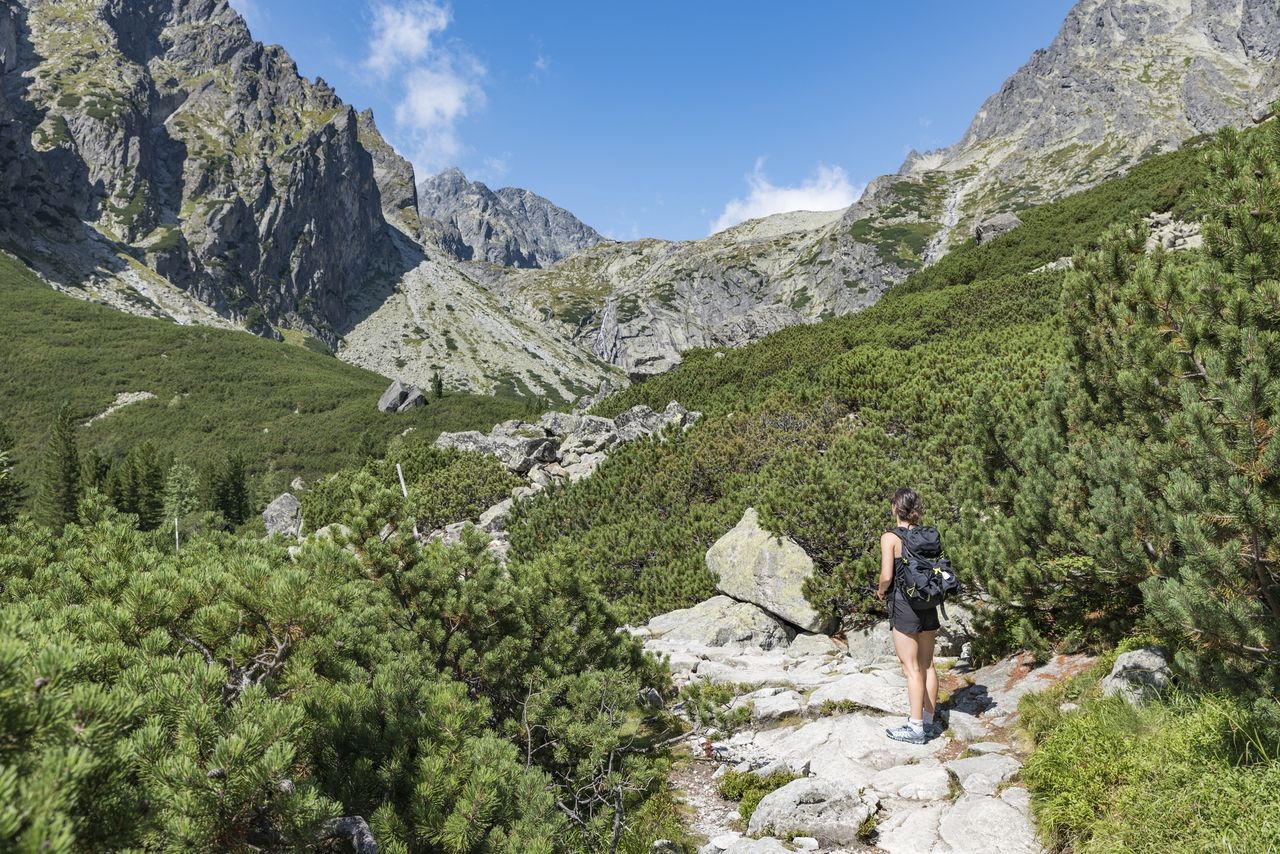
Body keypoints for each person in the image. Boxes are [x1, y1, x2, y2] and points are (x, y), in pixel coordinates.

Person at [876, 487, 941, 744]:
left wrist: (881, 592)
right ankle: (928, 721)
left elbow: (887, 576)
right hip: (928, 601)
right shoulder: (927, 535)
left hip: (904, 604)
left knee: (910, 667)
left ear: (894, 508)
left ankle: (914, 729)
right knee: (928, 664)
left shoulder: (890, 537)